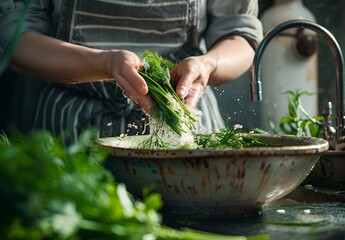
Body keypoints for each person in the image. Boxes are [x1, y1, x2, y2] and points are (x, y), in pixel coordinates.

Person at [0, 0, 262, 144]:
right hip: (70, 130)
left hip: (183, 125)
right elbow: (17, 39)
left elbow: (239, 35)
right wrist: (103, 63)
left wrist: (208, 64)